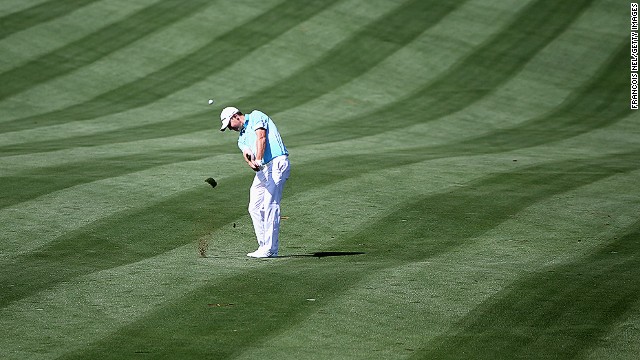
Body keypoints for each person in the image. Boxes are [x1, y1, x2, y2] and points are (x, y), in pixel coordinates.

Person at [219, 106, 290, 258]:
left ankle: (271, 249)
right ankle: (264, 245)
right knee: (254, 207)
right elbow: (246, 153)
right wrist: (252, 163)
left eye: (229, 125)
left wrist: (258, 159)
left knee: (270, 204)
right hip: (264, 169)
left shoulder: (256, 116)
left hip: (277, 163)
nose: (230, 129)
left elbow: (261, 137)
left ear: (235, 117)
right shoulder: (241, 138)